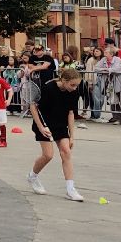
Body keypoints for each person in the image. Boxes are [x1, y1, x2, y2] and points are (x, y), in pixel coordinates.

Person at [28, 65, 85, 201]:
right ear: (64, 80)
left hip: (60, 124)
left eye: (77, 85)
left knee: (66, 152)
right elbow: (34, 107)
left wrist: (72, 136)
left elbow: (71, 113)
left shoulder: (74, 93)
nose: (74, 88)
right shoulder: (48, 88)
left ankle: (70, 190)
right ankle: (32, 176)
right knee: (48, 155)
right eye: (72, 85)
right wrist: (41, 127)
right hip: (44, 123)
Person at [96, 41, 121, 125]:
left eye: (106, 52)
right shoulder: (103, 60)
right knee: (113, 101)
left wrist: (106, 70)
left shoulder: (118, 59)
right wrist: (105, 70)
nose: (104, 53)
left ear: (111, 54)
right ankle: (117, 118)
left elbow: (116, 69)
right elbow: (96, 68)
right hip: (110, 84)